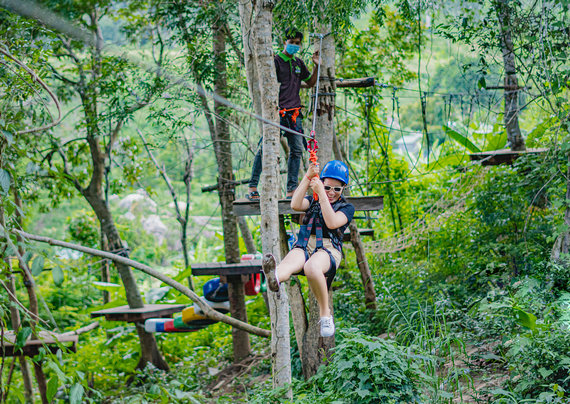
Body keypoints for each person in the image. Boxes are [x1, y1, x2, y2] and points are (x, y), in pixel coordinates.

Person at [263, 160, 355, 337]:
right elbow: (295, 205)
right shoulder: (311, 201)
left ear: (343, 189)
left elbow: (332, 222)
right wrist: (307, 177)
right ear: (322, 182)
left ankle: (325, 313)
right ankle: (274, 277)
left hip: (329, 250)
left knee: (311, 267)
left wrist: (321, 193)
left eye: (337, 189)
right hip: (306, 243)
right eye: (328, 187)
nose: (331, 192)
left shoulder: (346, 208)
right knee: (289, 262)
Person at [247, 28, 320, 201]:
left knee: (296, 150)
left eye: (297, 43)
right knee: (265, 147)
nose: (294, 45)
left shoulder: (298, 63)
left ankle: (291, 190)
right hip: (277, 112)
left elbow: (310, 82)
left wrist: (317, 65)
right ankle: (252, 186)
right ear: (284, 42)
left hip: (294, 113)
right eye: (291, 42)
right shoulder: (275, 61)